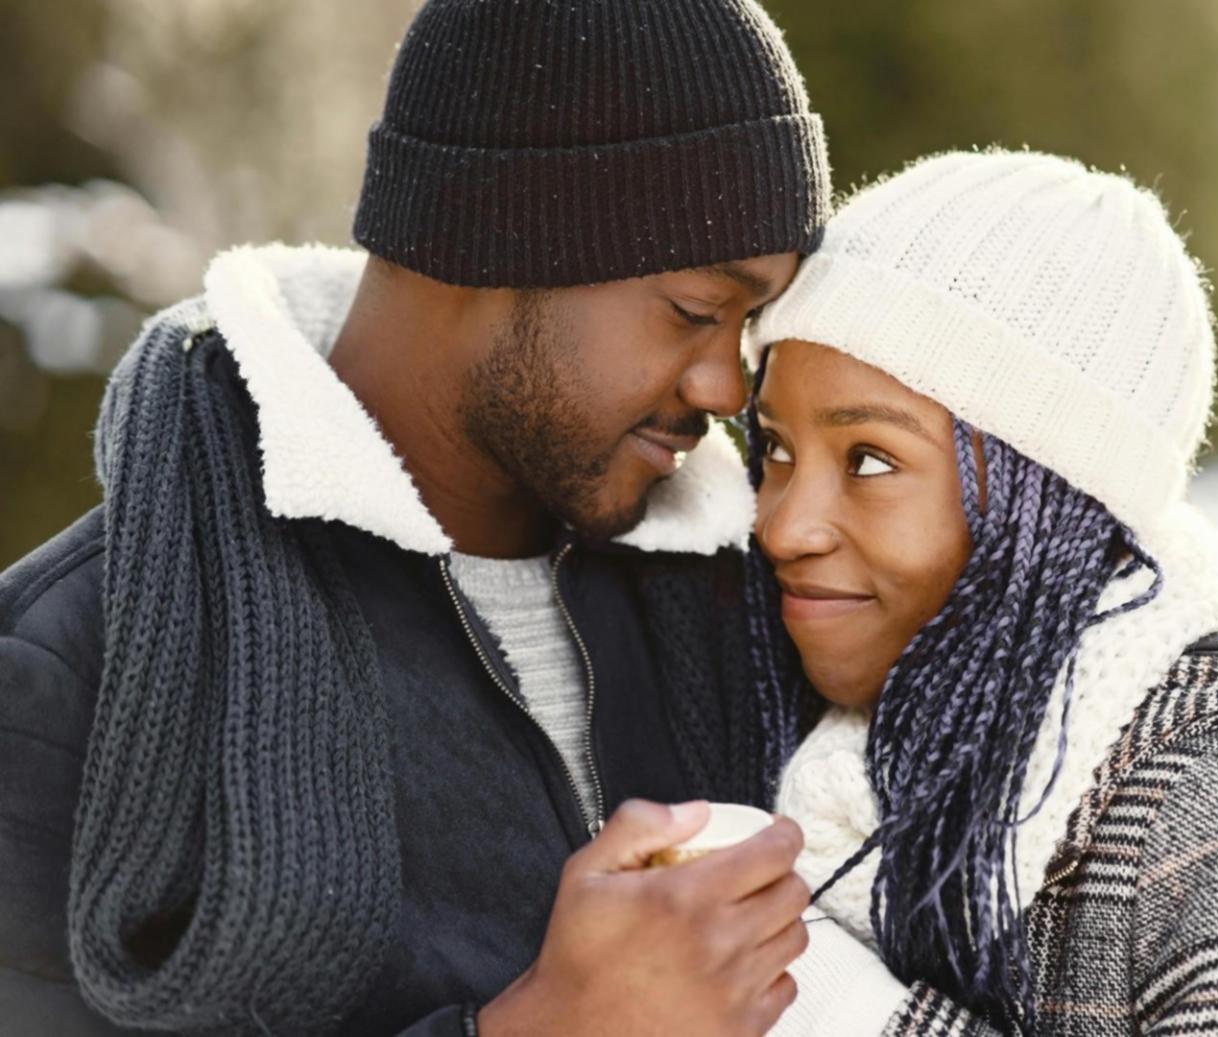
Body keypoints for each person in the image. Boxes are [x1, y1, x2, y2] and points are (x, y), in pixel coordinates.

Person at [0, 1, 830, 1034]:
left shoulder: (753, 606)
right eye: (696, 311)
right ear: (490, 234)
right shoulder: (63, 670)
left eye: (751, 328)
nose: (722, 386)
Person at [742, 151, 1218, 1036]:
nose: (783, 526)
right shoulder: (835, 753)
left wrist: (851, 1015)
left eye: (870, 459)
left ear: (1055, 500)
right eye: (774, 450)